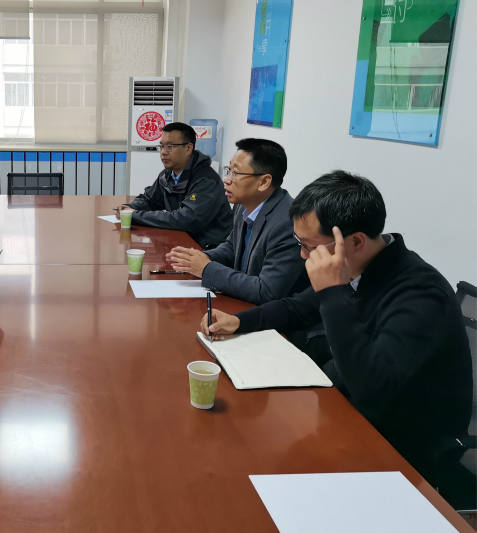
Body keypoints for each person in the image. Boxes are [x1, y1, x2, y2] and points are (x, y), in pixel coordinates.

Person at [199, 171, 472, 485]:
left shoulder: (421, 294)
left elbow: (373, 388)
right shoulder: (361, 265)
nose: (303, 256)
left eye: (309, 246)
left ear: (354, 242)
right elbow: (297, 307)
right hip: (345, 407)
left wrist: (332, 293)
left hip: (403, 443)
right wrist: (240, 321)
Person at [165, 138, 307, 304]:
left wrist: (206, 268)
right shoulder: (244, 204)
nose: (226, 179)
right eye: (229, 170)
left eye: (236, 173)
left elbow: (266, 291)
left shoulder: (288, 223)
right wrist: (197, 259)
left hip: (276, 315)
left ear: (263, 182)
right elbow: (232, 247)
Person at [114, 122, 232, 249]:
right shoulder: (167, 174)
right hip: (182, 242)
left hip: (208, 249)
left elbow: (186, 219)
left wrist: (135, 215)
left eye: (170, 147)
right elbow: (150, 200)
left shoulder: (206, 180)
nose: (163, 152)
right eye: (161, 146)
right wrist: (130, 208)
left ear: (188, 148)